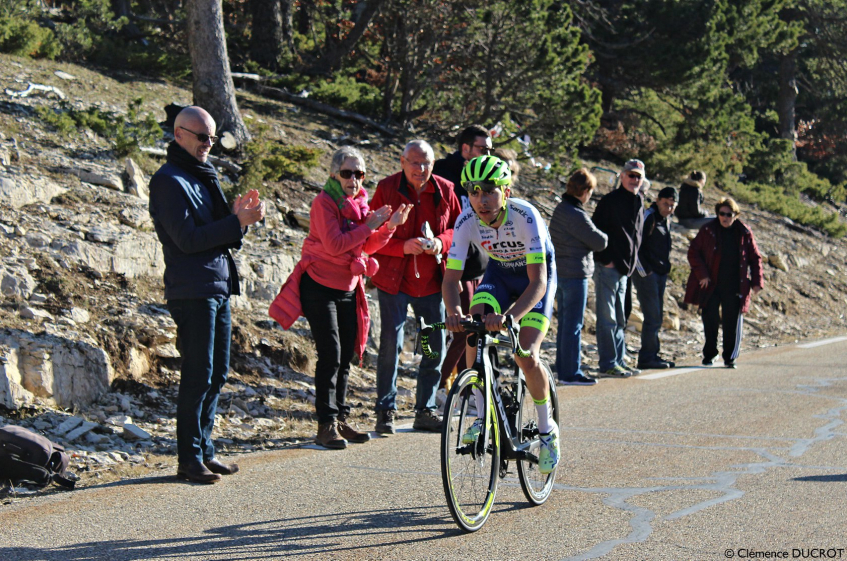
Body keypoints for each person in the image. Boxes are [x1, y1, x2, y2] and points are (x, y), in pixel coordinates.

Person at [148, 106, 265, 484]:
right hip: (191, 290)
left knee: (216, 374)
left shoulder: (202, 176)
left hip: (216, 286)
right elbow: (187, 240)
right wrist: (236, 222)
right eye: (201, 137)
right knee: (198, 375)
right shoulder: (168, 181)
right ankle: (189, 458)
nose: (208, 144)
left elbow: (222, 235)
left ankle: (206, 450)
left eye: (212, 138)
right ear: (179, 134)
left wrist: (236, 218)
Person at [269, 147, 411, 449]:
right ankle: (326, 424)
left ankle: (341, 418)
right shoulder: (323, 203)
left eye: (359, 174)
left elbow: (368, 246)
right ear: (334, 174)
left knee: (346, 355)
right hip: (319, 286)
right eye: (348, 173)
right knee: (331, 354)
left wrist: (390, 227)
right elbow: (335, 245)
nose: (354, 179)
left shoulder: (360, 205)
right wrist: (369, 226)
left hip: (348, 287)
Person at [443, 155, 560, 475]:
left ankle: (547, 430)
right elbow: (451, 280)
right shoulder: (466, 220)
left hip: (534, 281)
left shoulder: (526, 215)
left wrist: (510, 317)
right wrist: (454, 312)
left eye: (490, 191)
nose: (481, 200)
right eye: (474, 191)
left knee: (526, 354)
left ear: (506, 191)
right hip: (498, 277)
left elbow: (538, 281)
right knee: (471, 327)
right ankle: (481, 416)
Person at [370, 140, 462, 434]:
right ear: (402, 162)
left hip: (433, 282)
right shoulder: (387, 188)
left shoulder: (446, 190)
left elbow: (458, 231)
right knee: (391, 345)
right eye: (415, 162)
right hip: (394, 281)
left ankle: (425, 409)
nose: (421, 169)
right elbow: (371, 233)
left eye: (427, 163)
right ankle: (386, 411)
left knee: (432, 346)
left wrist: (440, 243)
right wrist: (402, 247)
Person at [432, 125, 493, 396]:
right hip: (454, 263)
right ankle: (440, 384)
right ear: (465, 148)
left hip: (479, 263)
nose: (487, 154)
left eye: (490, 150)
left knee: (475, 329)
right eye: (482, 149)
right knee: (462, 327)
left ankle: (462, 382)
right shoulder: (443, 173)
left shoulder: (488, 174)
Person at [684, 197, 764, 368]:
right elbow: (693, 252)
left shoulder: (744, 232)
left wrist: (757, 281)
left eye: (729, 214)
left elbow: (755, 258)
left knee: (732, 322)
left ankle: (730, 357)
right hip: (711, 284)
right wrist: (702, 275)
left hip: (735, 285)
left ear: (736, 215)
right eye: (722, 214)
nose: (725, 217)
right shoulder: (708, 230)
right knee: (710, 319)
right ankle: (710, 354)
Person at [549, 168, 608, 386]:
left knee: (565, 324)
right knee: (573, 325)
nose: (590, 195)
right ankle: (570, 373)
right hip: (575, 274)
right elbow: (600, 242)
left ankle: (564, 370)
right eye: (590, 191)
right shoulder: (575, 214)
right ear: (583, 191)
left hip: (561, 273)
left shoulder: (561, 209)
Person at [591, 159, 646, 378]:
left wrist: (630, 265)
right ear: (621, 176)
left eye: (638, 177)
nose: (634, 180)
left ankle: (619, 360)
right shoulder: (610, 201)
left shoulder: (639, 201)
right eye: (631, 175)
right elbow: (595, 230)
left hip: (625, 269)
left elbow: (636, 236)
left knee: (621, 318)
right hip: (609, 267)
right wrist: (606, 259)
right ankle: (608, 363)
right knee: (608, 318)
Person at [632, 187, 678, 370]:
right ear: (658, 200)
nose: (668, 208)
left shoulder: (666, 220)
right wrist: (645, 272)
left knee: (657, 315)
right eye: (665, 203)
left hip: (660, 274)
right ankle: (647, 357)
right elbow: (636, 246)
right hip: (647, 274)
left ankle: (653, 354)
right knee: (652, 316)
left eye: (672, 205)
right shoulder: (648, 216)